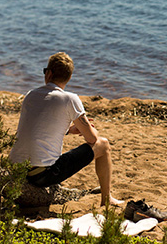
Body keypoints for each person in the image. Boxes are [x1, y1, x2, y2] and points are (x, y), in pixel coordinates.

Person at [9, 52, 123, 207]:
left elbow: (37, 127)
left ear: (48, 73)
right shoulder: (70, 99)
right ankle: (106, 198)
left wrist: (68, 130)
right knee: (103, 144)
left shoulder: (30, 95)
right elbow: (92, 140)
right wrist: (89, 130)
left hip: (16, 170)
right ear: (69, 77)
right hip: (41, 176)